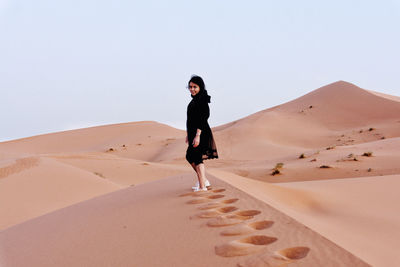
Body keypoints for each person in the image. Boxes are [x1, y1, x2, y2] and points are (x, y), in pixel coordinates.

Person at [185, 75, 219, 191]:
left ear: (200, 87)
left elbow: (203, 117)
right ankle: (203, 180)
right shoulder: (195, 100)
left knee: (197, 157)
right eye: (190, 87)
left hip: (200, 133)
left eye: (195, 87)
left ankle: (202, 186)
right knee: (190, 156)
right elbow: (191, 119)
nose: (192, 89)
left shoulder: (202, 99)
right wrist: (188, 134)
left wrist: (198, 135)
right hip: (193, 133)